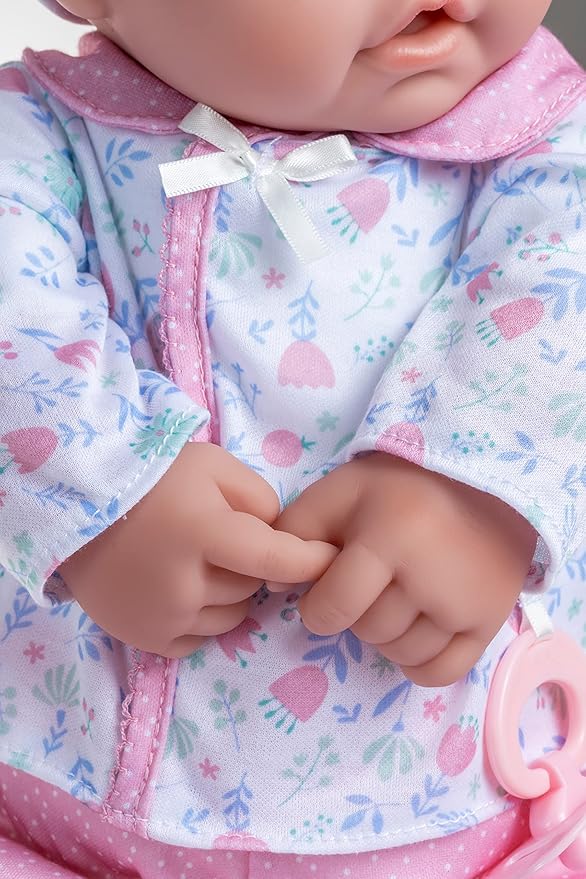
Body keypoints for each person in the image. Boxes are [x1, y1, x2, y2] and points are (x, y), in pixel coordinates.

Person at [0, 0, 584, 875]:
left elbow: (561, 288)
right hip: (59, 801)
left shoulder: (545, 145)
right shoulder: (34, 139)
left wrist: (475, 487)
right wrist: (100, 484)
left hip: (458, 806)